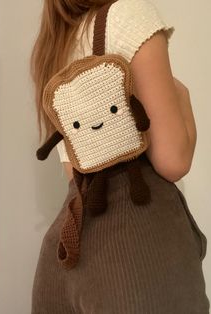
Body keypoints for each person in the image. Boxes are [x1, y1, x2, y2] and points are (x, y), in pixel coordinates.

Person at [30, 0, 210, 313]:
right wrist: (184, 99)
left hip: (66, 251)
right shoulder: (129, 14)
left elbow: (76, 173)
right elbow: (173, 161)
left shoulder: (55, 44)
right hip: (137, 251)